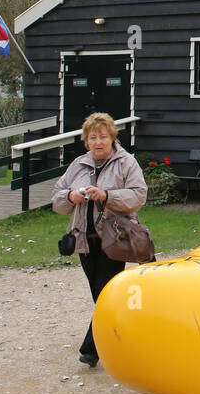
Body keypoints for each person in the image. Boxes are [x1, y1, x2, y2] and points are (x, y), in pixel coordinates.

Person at [53, 112, 148, 367]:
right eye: (93, 137)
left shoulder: (126, 163)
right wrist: (70, 196)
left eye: (103, 137)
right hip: (84, 239)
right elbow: (57, 199)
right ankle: (126, 336)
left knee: (105, 294)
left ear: (112, 138)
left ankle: (91, 349)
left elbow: (139, 196)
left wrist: (106, 195)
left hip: (114, 239)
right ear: (86, 141)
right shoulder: (78, 165)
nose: (98, 142)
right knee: (101, 296)